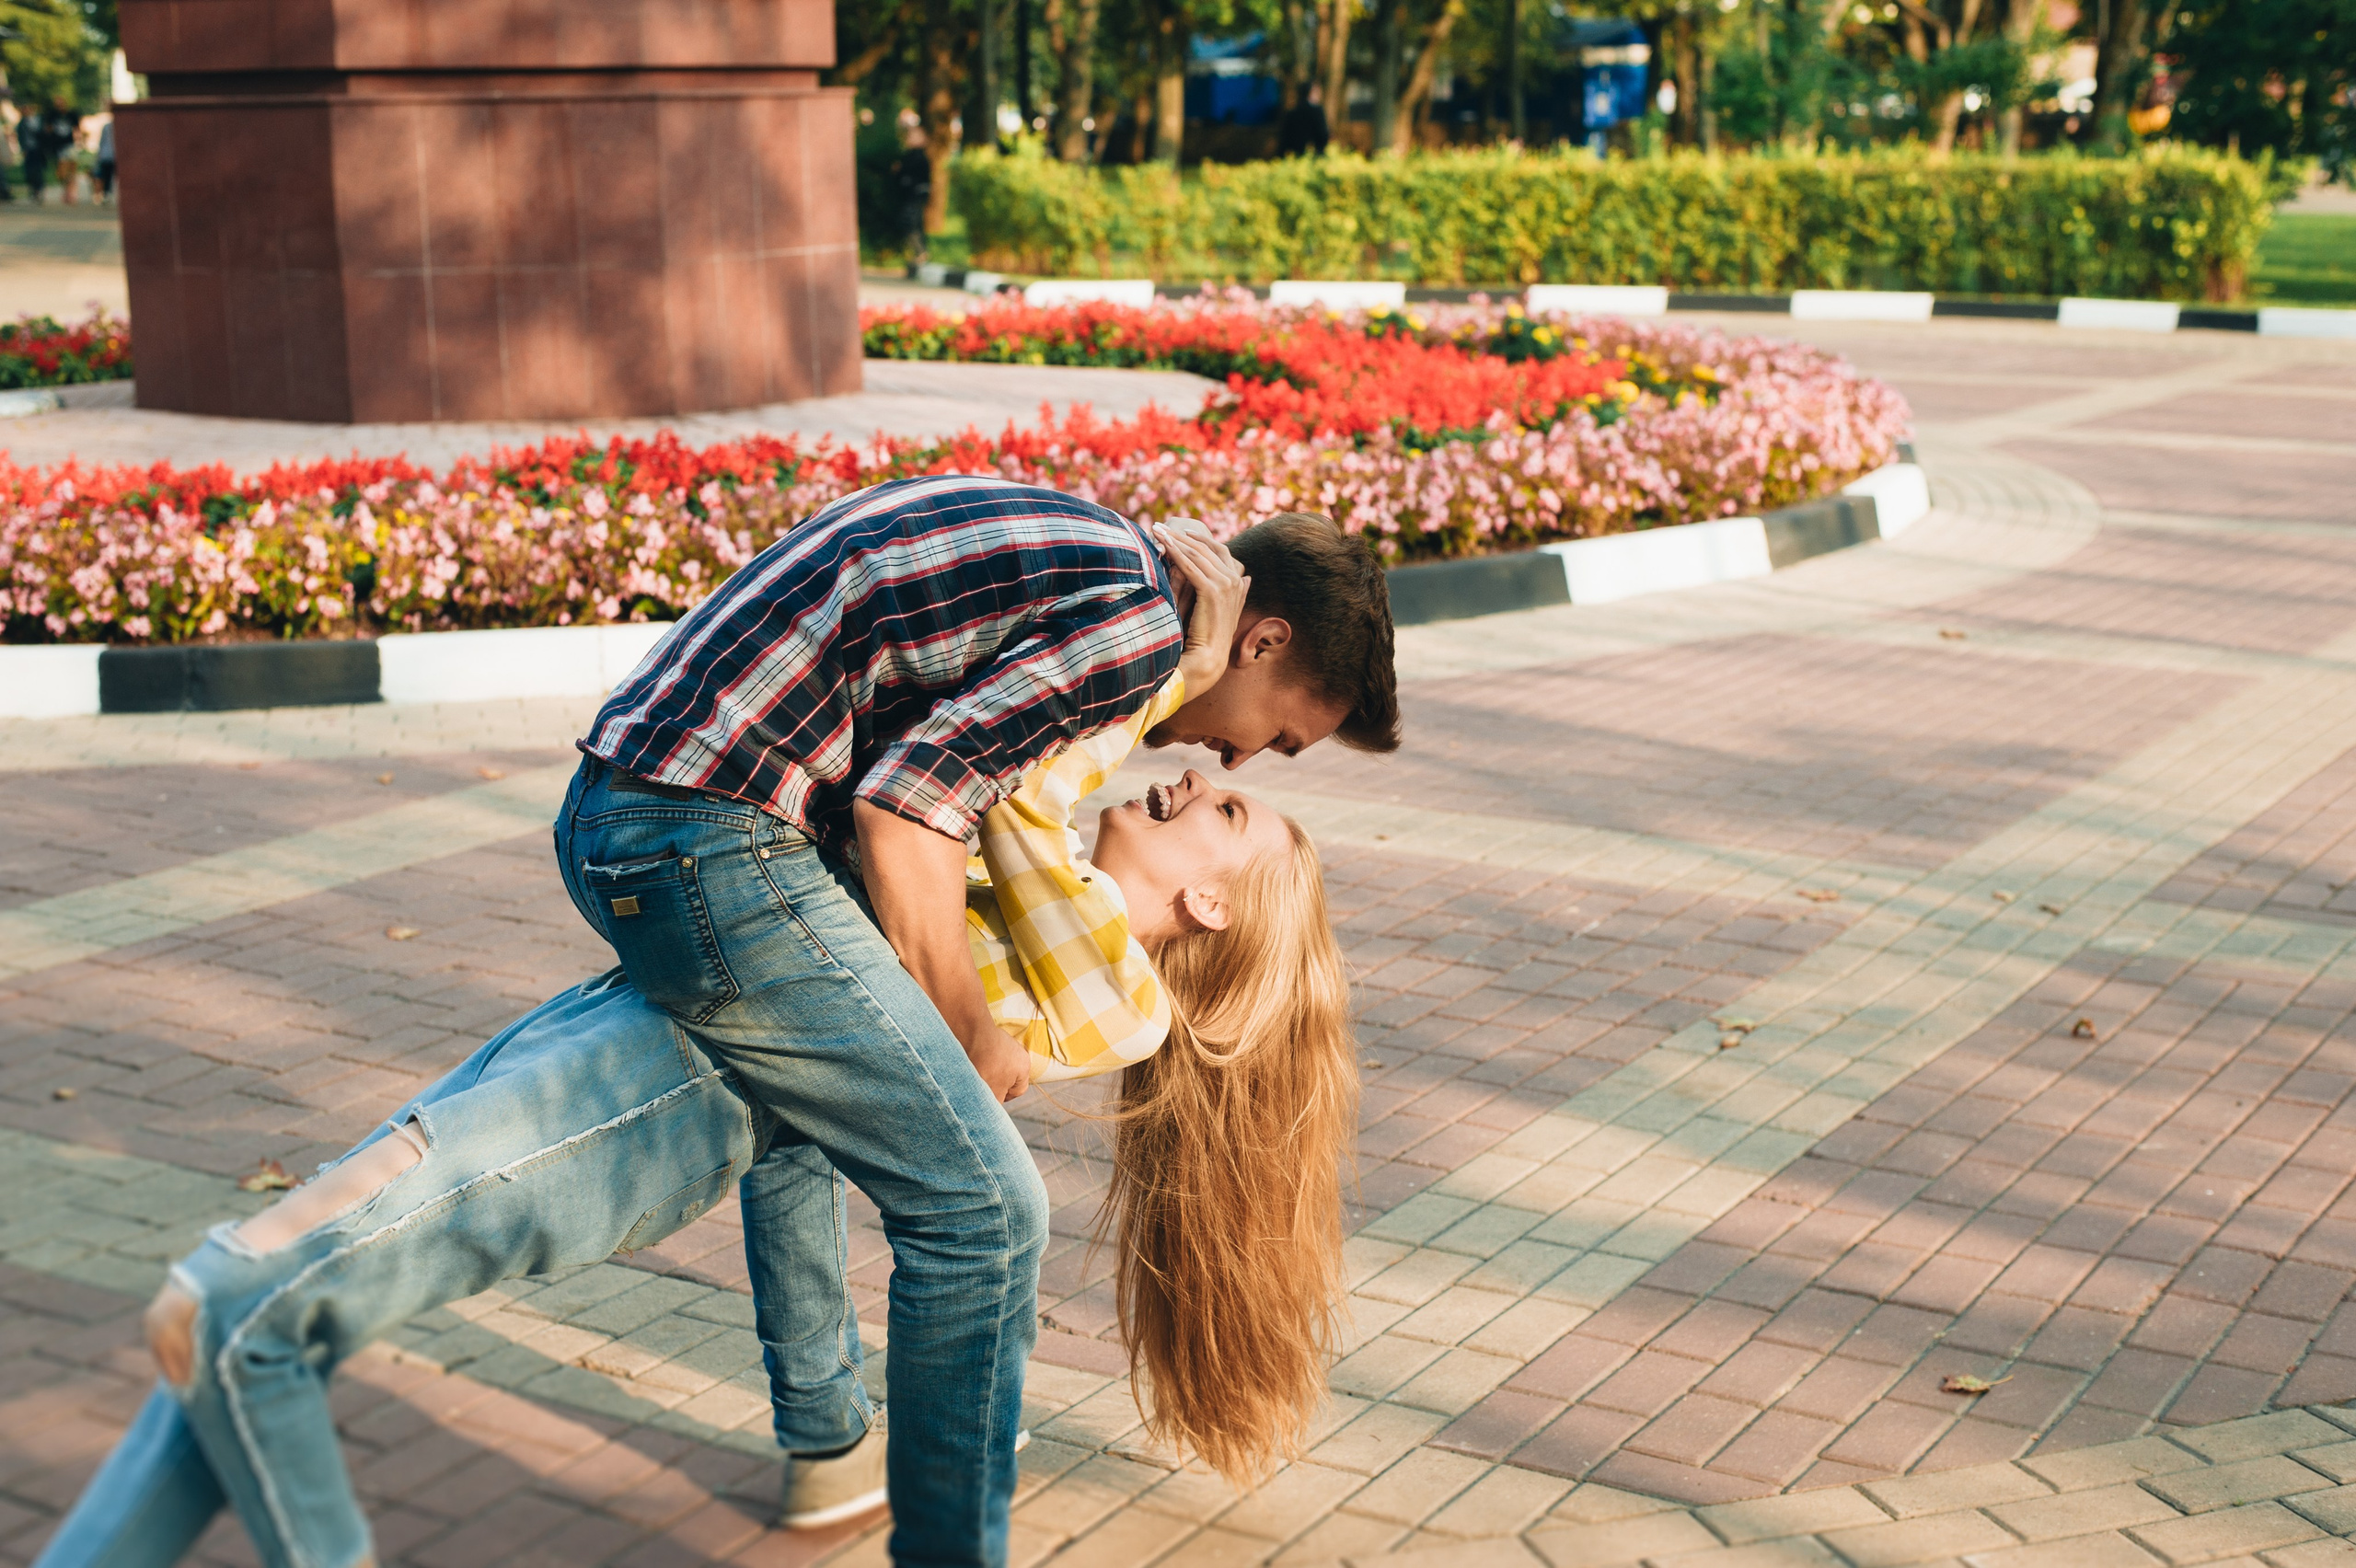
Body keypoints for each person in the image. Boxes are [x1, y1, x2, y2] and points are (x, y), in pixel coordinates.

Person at [35, 671, 1356, 1568]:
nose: (1195, 780)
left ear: (1213, 911)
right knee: (247, 1324)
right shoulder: (997, 898)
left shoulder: (1113, 997)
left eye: (1231, 808)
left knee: (245, 1315)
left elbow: (1021, 801)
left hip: (653, 1103)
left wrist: (1145, 674)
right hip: (615, 1021)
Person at [569, 478, 1396, 1563]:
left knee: (809, 1144)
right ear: (1262, 641)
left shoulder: (1119, 585)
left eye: (1249, 780)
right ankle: (918, 1502)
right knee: (981, 1215)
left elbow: (1003, 800)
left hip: (638, 787)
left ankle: (841, 1449)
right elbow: (940, 801)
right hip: (705, 814)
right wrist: (966, 1032)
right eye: (1276, 741)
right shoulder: (1139, 628)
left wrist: (1170, 682)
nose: (1223, 763)